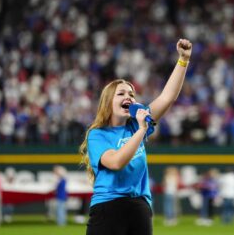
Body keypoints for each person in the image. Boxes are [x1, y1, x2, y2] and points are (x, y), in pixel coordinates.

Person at [80, 38, 192, 235]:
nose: (129, 97)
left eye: (131, 94)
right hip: (107, 208)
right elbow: (115, 163)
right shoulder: (97, 135)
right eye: (121, 93)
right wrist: (141, 130)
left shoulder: (136, 125)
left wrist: (183, 60)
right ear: (108, 102)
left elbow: (168, 97)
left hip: (139, 208)